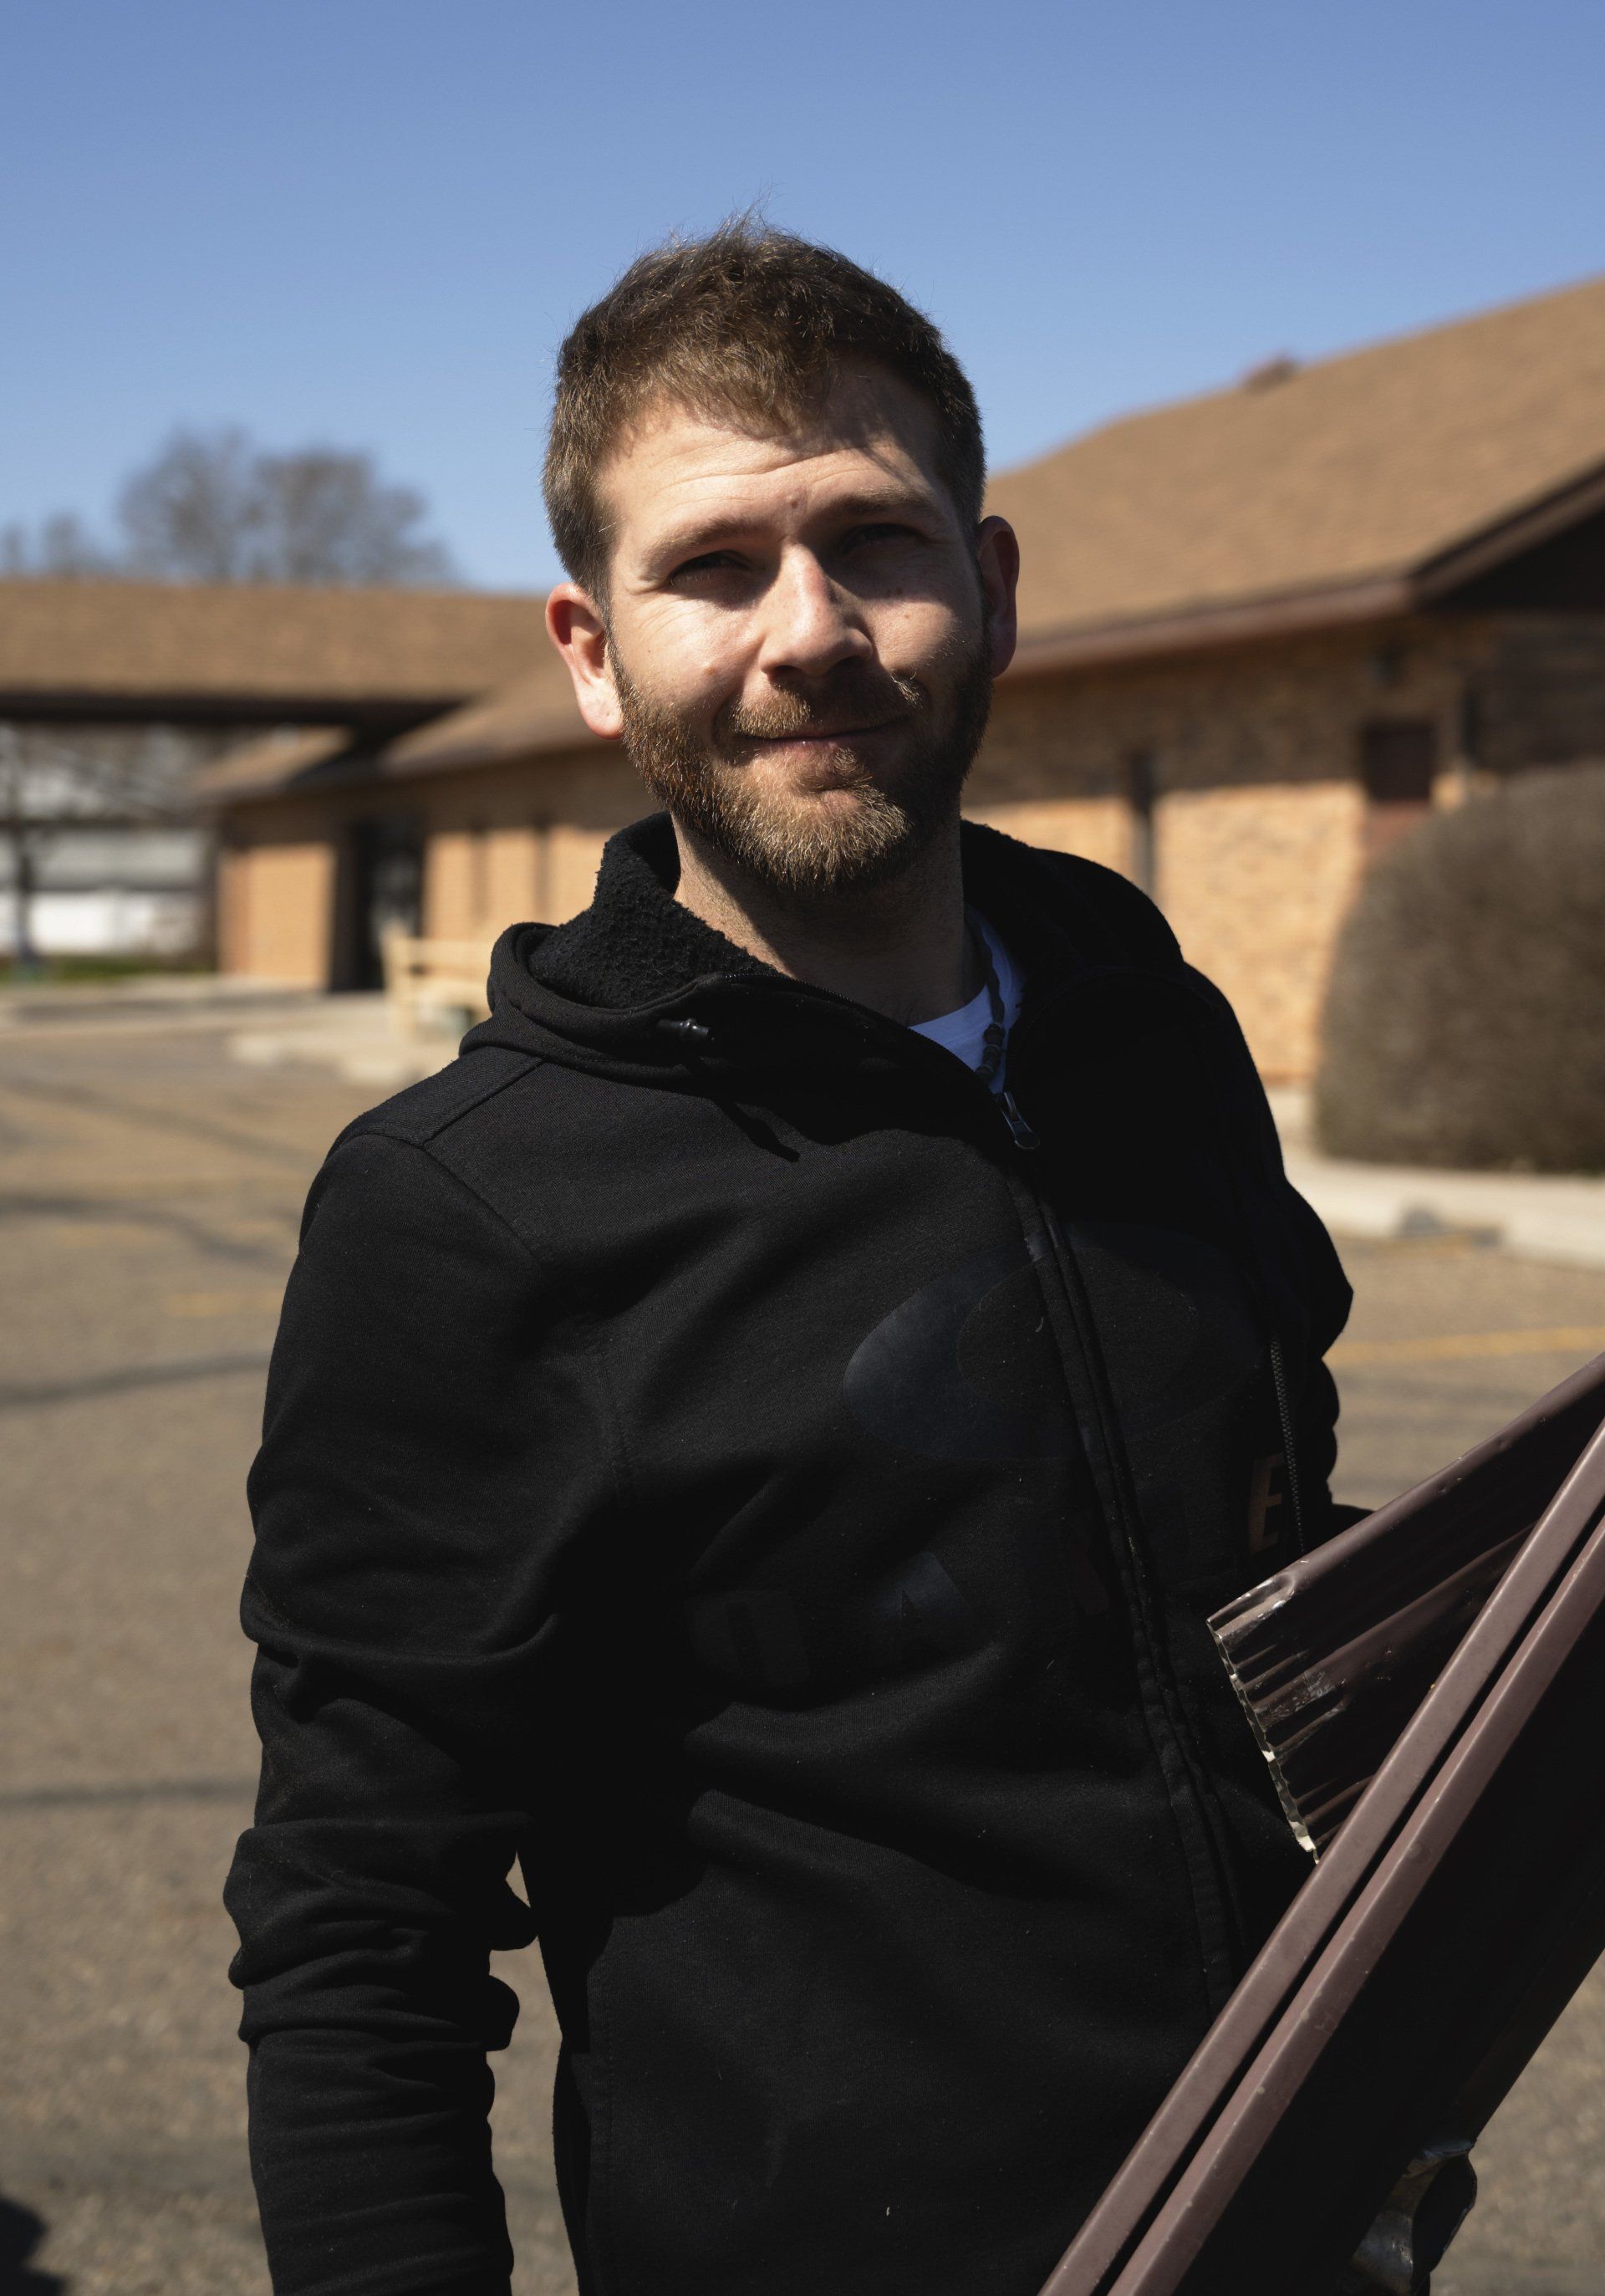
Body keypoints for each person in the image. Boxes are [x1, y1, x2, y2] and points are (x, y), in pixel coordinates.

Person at [226, 222, 1351, 2296]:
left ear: (993, 589)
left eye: (874, 541)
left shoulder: (1145, 1025)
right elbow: (359, 1938)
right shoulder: (466, 1206)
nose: (809, 630)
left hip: (1314, 2225)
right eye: (714, 567)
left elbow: (1269, 1563)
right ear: (590, 650)